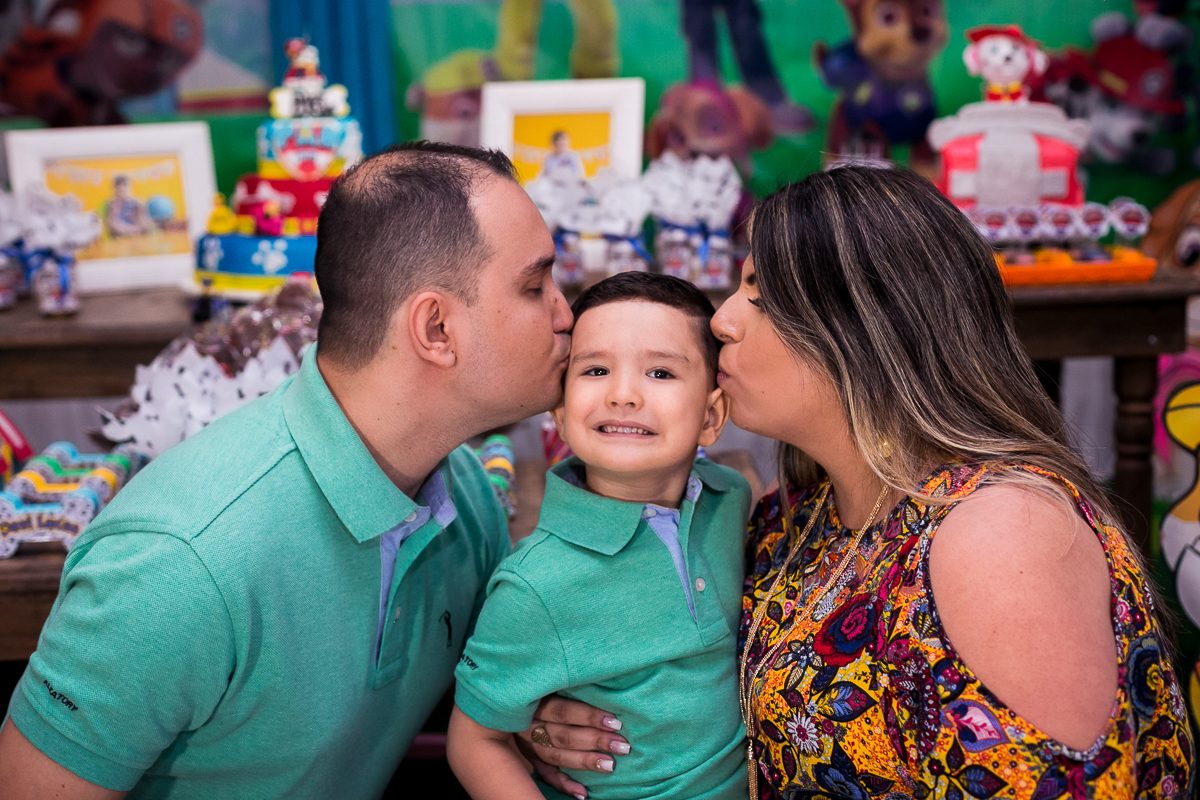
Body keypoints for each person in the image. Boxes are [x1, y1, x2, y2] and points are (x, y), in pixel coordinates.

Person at [0, 142, 626, 799]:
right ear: (436, 328)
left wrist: (526, 717)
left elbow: (486, 685)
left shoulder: (462, 496)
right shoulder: (182, 563)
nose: (567, 316)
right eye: (536, 286)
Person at [712, 165, 1193, 799]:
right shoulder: (799, 515)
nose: (721, 320)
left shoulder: (999, 535)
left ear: (867, 326)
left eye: (760, 294)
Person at [447, 272, 752, 800]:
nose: (624, 394)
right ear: (560, 415)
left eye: (660, 371)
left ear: (710, 417)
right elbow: (475, 740)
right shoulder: (534, 586)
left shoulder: (730, 501)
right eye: (595, 369)